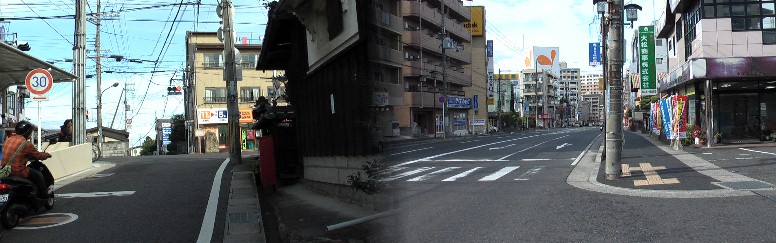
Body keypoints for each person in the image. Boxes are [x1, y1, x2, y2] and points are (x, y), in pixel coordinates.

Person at [1, 121, 52, 200]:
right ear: (27, 132)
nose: (31, 135)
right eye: (30, 132)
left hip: (5, 170)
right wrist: (47, 155)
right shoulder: (26, 144)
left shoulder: (8, 140)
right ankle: (43, 195)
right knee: (38, 175)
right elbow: (38, 155)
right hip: (18, 170)